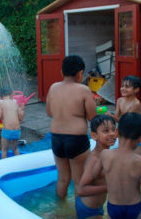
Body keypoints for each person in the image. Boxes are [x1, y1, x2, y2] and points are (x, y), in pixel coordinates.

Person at [46, 55, 97, 199]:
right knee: (79, 181)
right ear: (80, 73)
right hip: (76, 140)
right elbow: (92, 117)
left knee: (62, 178)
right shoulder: (83, 90)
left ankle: (59, 209)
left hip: (56, 138)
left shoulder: (53, 87)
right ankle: (78, 213)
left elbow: (49, 112)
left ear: (61, 72)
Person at [92, 112, 141, 219]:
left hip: (114, 205)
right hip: (134, 206)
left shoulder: (105, 155)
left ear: (116, 133)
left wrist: (110, 174)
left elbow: (94, 175)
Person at [76, 114, 117, 219]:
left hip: (96, 206)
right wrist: (110, 188)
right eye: (106, 131)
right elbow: (81, 190)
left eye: (114, 129)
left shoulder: (106, 154)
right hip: (89, 209)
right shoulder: (94, 159)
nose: (112, 134)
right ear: (94, 136)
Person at [0, 87, 25, 158]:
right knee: (15, 149)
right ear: (11, 94)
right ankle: (19, 164)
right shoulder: (15, 104)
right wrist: (22, 110)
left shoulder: (0, 104)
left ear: (0, 97)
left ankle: (5, 168)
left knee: (4, 150)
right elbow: (20, 118)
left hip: (7, 130)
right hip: (17, 130)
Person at [107, 75, 141, 154]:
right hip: (123, 129)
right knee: (122, 149)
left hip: (134, 131)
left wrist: (111, 115)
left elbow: (127, 122)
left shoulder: (135, 104)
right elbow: (116, 117)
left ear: (136, 90)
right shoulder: (120, 100)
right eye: (122, 86)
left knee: (133, 153)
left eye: (127, 87)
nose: (123, 89)